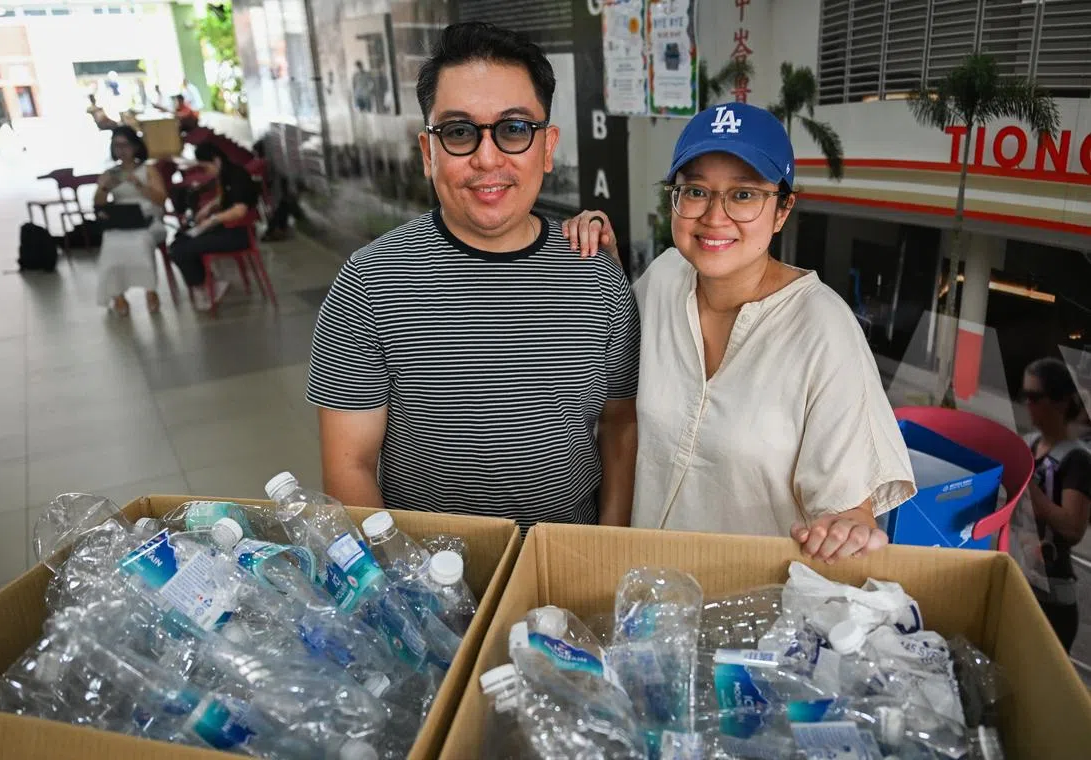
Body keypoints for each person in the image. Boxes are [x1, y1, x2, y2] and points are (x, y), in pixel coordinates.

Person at [306, 22, 640, 532]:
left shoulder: (596, 273)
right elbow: (349, 465)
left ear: (547, 147)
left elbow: (619, 425)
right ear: (427, 152)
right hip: (431, 579)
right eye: (459, 132)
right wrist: (404, 588)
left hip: (565, 562)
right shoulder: (369, 282)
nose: (488, 159)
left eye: (513, 129)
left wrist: (607, 550)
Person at [563, 102, 915, 562]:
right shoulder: (664, 278)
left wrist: (849, 528)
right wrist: (589, 260)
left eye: (744, 195)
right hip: (641, 595)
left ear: (783, 210)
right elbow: (610, 389)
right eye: (695, 191)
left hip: (748, 610)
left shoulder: (823, 329)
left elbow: (850, 511)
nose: (714, 216)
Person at [1021, 357, 1091, 652]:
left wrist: (1031, 491)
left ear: (1061, 403)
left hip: (1052, 601)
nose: (1028, 404)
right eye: (1025, 396)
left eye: (1035, 397)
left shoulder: (1076, 459)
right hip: (1023, 582)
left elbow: (1073, 528)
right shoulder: (1031, 443)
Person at [168, 141, 258, 311]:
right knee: (179, 241)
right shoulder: (225, 175)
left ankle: (206, 286)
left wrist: (212, 220)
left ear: (216, 161)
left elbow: (239, 209)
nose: (205, 171)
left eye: (205, 166)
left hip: (238, 234)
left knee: (181, 249)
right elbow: (225, 199)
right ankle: (207, 283)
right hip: (227, 228)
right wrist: (208, 208)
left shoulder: (237, 175)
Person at [93, 126, 168, 316]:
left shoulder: (148, 169)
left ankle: (150, 290)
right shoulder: (111, 173)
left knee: (141, 242)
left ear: (135, 146)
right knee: (110, 244)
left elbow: (161, 199)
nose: (121, 150)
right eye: (117, 146)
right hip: (122, 219)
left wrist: (139, 185)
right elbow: (98, 204)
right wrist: (104, 188)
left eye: (125, 145)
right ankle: (117, 295)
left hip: (148, 218)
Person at [0, 78, 22, 153]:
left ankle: (21, 145)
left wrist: (6, 115)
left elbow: (2, 103)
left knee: (12, 130)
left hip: (4, 115)